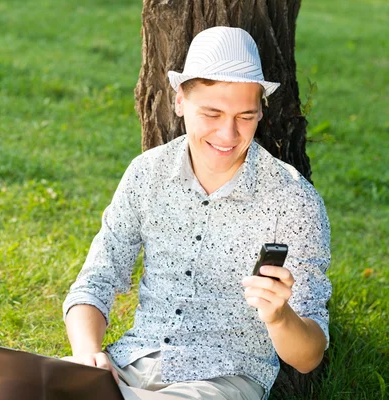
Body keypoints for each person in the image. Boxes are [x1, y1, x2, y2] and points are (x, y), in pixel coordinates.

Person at [62, 26, 331, 400]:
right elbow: (96, 280)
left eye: (245, 116)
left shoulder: (292, 199)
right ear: (179, 101)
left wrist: (279, 316)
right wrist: (85, 357)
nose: (228, 133)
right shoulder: (146, 173)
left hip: (223, 379)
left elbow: (308, 357)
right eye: (212, 113)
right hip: (131, 362)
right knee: (8, 388)